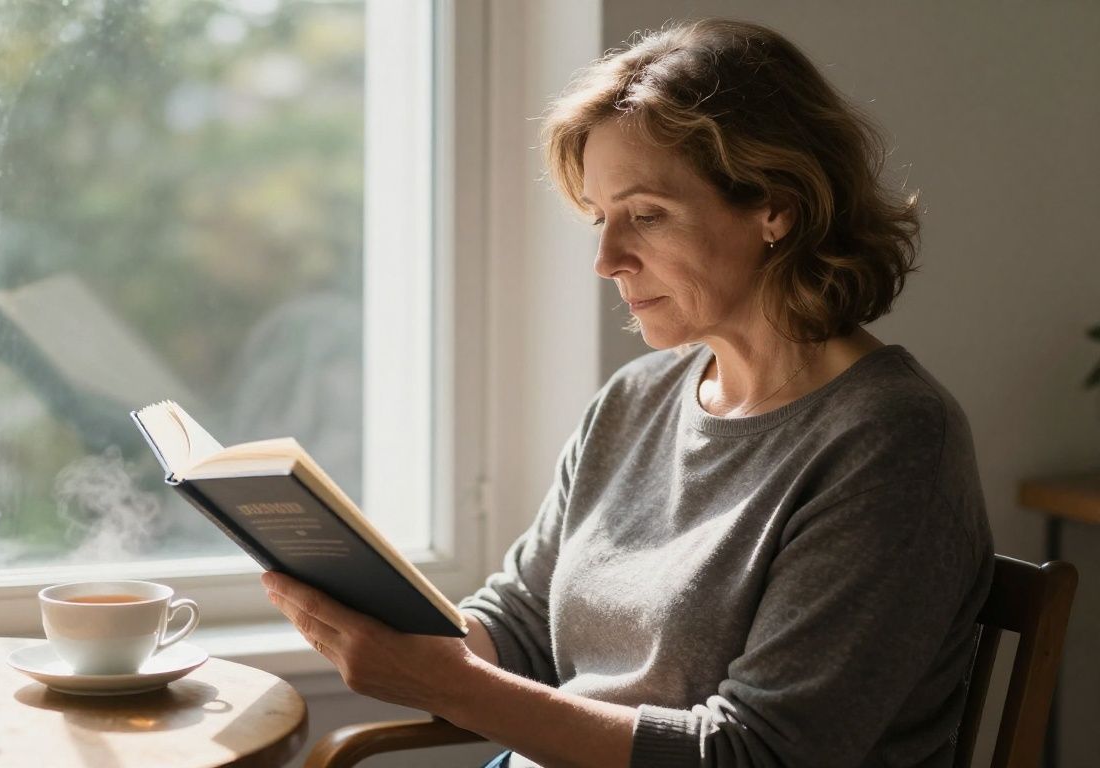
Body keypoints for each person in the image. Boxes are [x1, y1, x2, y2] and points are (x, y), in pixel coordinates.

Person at [262, 17, 993, 768]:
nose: (607, 260)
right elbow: (518, 624)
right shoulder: (635, 399)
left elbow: (757, 755)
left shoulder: (891, 439)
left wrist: (448, 686)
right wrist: (386, 625)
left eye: (645, 215)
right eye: (600, 219)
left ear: (776, 206)